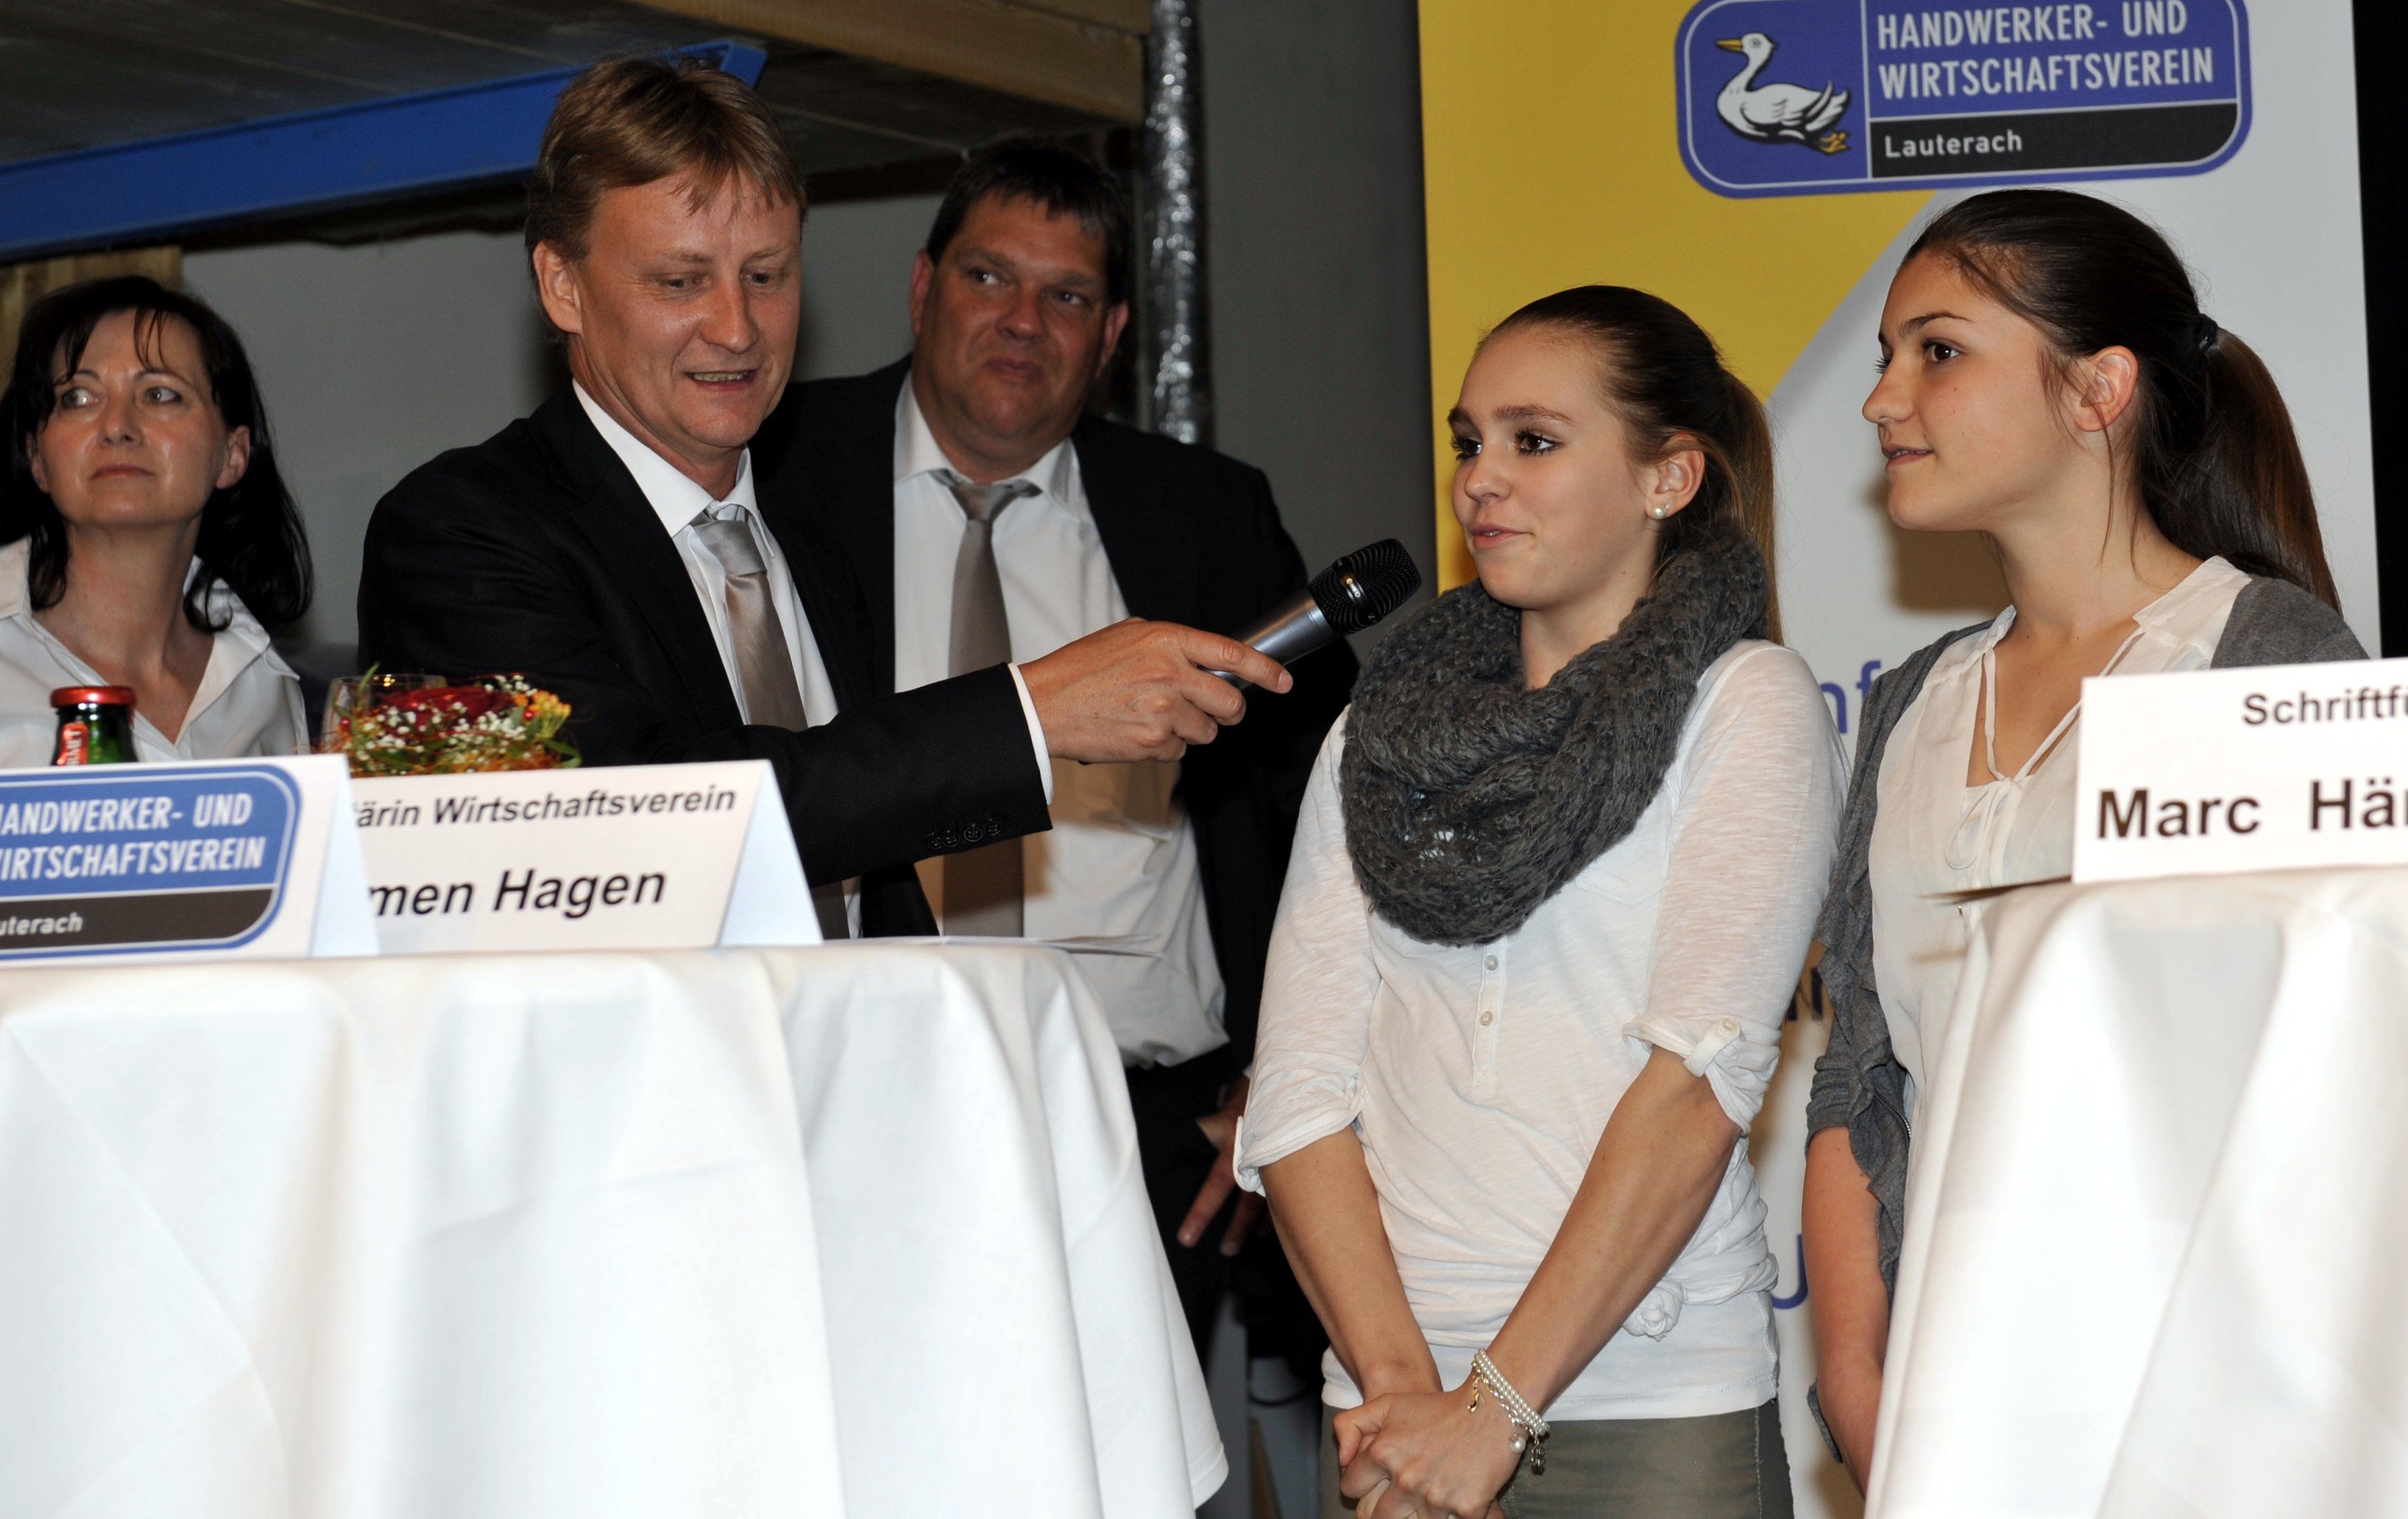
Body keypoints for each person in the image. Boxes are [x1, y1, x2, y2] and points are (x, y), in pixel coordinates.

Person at [359, 59, 1288, 939]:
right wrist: (1030, 714)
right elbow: (623, 828)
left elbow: (865, 853)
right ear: (562, 286)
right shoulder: (454, 535)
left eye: (765, 276)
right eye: (682, 281)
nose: (737, 328)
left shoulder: (809, 534)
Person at [1236, 286, 1842, 1518]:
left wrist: (1492, 1406)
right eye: (1469, 441)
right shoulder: (1375, 734)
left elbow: (1695, 1085)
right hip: (1392, 1418)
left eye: (1533, 440)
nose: (1478, 479)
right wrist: (1404, 1392)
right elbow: (1296, 1094)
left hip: (1652, 1411)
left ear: (1668, 477)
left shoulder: (1744, 703)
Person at [1802, 189, 2365, 1491]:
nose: (1881, 399)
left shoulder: (2257, 653)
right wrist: (1856, 1380)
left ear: (2096, 388)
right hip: (1948, 1393)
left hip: (2197, 1407)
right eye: (1886, 357)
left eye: (1937, 351)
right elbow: (1855, 1075)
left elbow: (2332, 1079)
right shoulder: (1914, 700)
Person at [761, 139, 1356, 1348]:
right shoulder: (778, 473)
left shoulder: (1206, 515)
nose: (1022, 321)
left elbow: (1336, 813)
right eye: (987, 277)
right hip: (856, 1113)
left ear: (1113, 332)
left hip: (1149, 1133)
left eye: (1067, 296)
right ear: (921, 287)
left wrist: (1295, 1073)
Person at [0, 275, 312, 768]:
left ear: (233, 453)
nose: (117, 427)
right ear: (37, 459)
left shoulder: (262, 685)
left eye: (160, 394)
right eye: (78, 397)